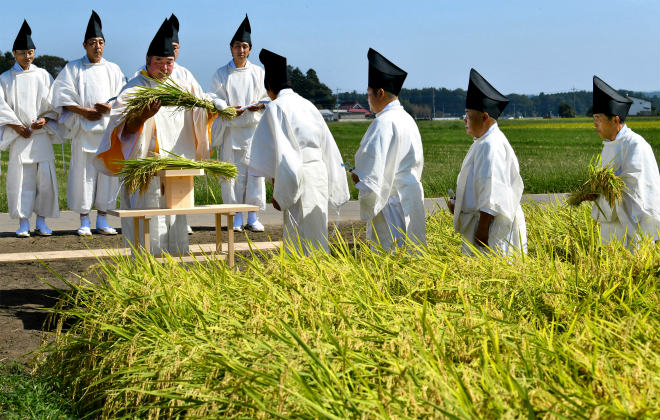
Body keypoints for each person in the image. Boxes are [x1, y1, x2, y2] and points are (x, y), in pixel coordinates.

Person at [95, 18, 215, 254]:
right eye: (158, 61)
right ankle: (146, 272)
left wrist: (210, 110)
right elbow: (122, 131)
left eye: (169, 62)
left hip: (176, 168)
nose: (164, 67)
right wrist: (142, 116)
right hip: (145, 168)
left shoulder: (184, 83)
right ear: (148, 61)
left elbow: (201, 111)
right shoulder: (134, 89)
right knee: (148, 221)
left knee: (177, 221)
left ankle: (177, 271)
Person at [244, 49, 349, 254]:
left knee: (298, 236)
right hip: (319, 174)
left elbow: (281, 155)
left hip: (295, 176)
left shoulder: (276, 107)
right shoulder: (308, 105)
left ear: (269, 88)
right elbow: (329, 146)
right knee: (317, 232)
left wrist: (279, 191)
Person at [51, 10, 125, 236]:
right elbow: (61, 96)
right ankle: (84, 220)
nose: (97, 47)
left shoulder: (113, 69)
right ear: (85, 45)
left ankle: (102, 218)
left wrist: (110, 108)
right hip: (84, 132)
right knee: (83, 176)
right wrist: (83, 111)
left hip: (107, 132)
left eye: (101, 42)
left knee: (106, 177)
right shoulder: (73, 68)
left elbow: (123, 97)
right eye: (93, 42)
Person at [351, 48, 425, 251]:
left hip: (390, 203)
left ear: (380, 93)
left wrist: (358, 176)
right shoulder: (407, 119)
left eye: (368, 94)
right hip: (410, 196)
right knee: (412, 257)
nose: (368, 100)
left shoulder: (383, 122)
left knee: (390, 260)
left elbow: (371, 171)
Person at [448, 68, 526, 256]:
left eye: (468, 114)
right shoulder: (482, 142)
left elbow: (493, 192)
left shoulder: (491, 145)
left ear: (484, 117)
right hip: (484, 225)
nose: (464, 120)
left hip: (491, 229)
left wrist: (482, 230)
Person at [584, 76, 660, 248]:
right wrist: (593, 193)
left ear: (616, 120)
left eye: (599, 119)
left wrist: (602, 187)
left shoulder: (635, 144)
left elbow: (637, 188)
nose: (595, 124)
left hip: (633, 225)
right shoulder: (609, 145)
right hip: (611, 226)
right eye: (593, 119)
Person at [0, 20, 59, 238]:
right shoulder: (5, 79)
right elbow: (1, 106)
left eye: (31, 52)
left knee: (44, 181)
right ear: (14, 53)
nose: (27, 57)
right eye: (23, 53)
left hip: (40, 136)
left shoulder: (43, 75)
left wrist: (45, 118)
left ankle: (42, 222)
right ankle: (23, 222)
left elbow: (52, 102)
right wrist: (16, 126)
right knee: (22, 181)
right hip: (19, 137)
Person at [210, 14, 267, 232]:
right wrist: (224, 108)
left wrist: (259, 106)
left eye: (244, 46)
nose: (240, 50)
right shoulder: (221, 73)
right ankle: (234, 216)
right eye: (236, 46)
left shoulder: (258, 73)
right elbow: (212, 96)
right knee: (230, 175)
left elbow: (268, 98)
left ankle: (252, 215)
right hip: (230, 131)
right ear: (230, 48)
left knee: (254, 173)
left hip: (253, 131)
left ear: (250, 49)